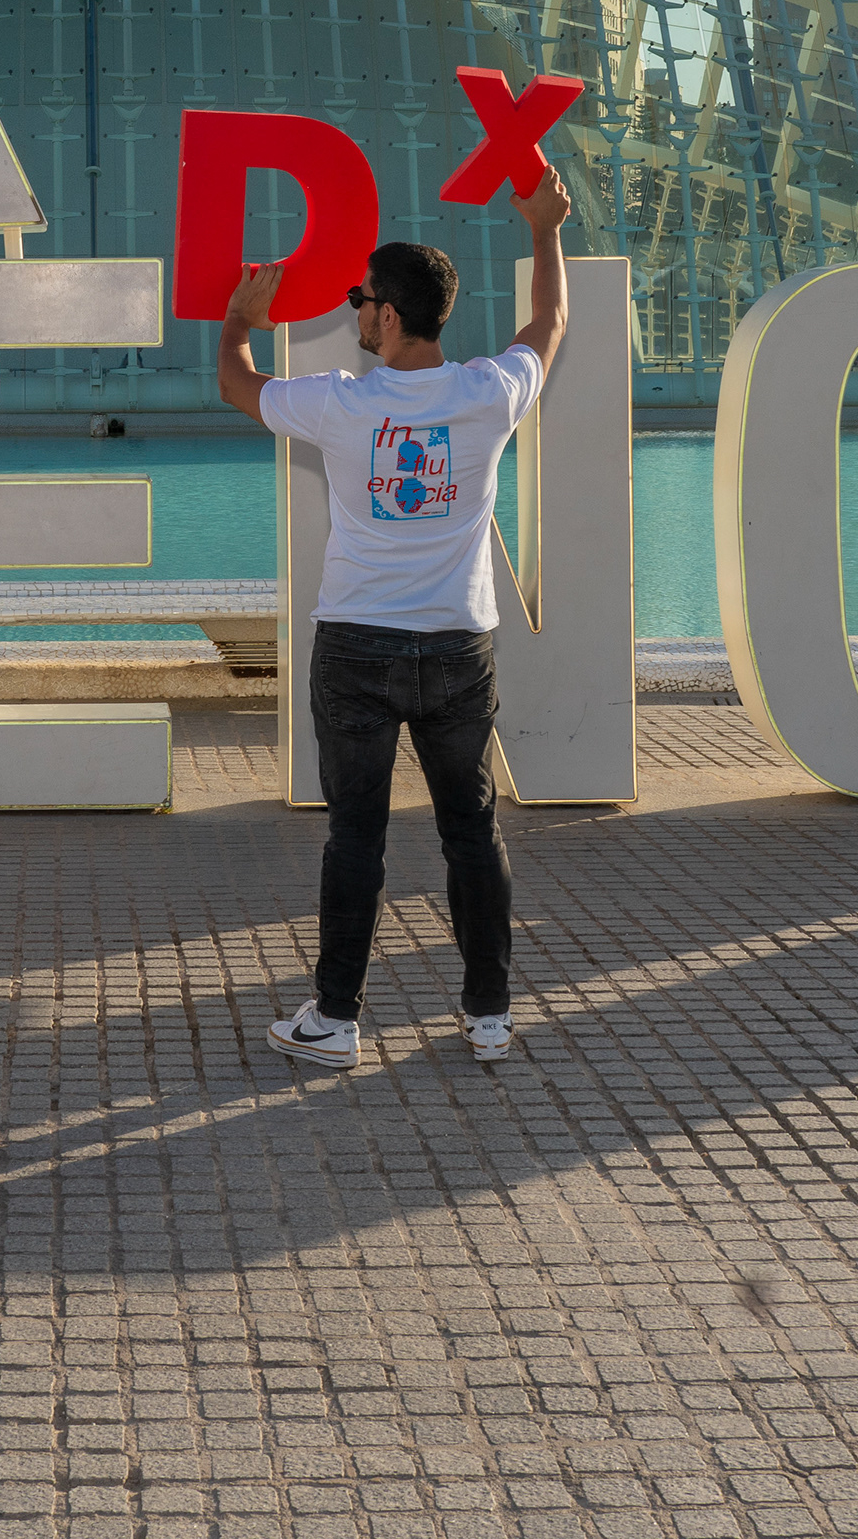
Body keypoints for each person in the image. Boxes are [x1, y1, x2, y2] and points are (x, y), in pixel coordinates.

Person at [217, 175, 573, 1071]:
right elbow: (550, 326)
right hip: (459, 645)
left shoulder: (342, 402)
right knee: (471, 828)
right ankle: (488, 1013)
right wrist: (543, 233)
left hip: (358, 646)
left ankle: (336, 1019)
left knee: (356, 836)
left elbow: (235, 384)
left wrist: (238, 321)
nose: (353, 309)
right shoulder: (489, 392)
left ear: (389, 315)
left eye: (360, 298)